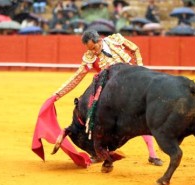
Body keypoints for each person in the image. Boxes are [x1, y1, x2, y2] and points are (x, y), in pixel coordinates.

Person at [53, 29, 163, 166]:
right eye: (90, 49)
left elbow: (135, 49)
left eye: (94, 48)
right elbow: (77, 77)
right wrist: (57, 95)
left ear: (99, 40)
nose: (93, 52)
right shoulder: (89, 56)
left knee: (141, 115)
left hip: (132, 84)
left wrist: (140, 70)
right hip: (111, 92)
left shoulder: (115, 40)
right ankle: (101, 153)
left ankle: (152, 154)